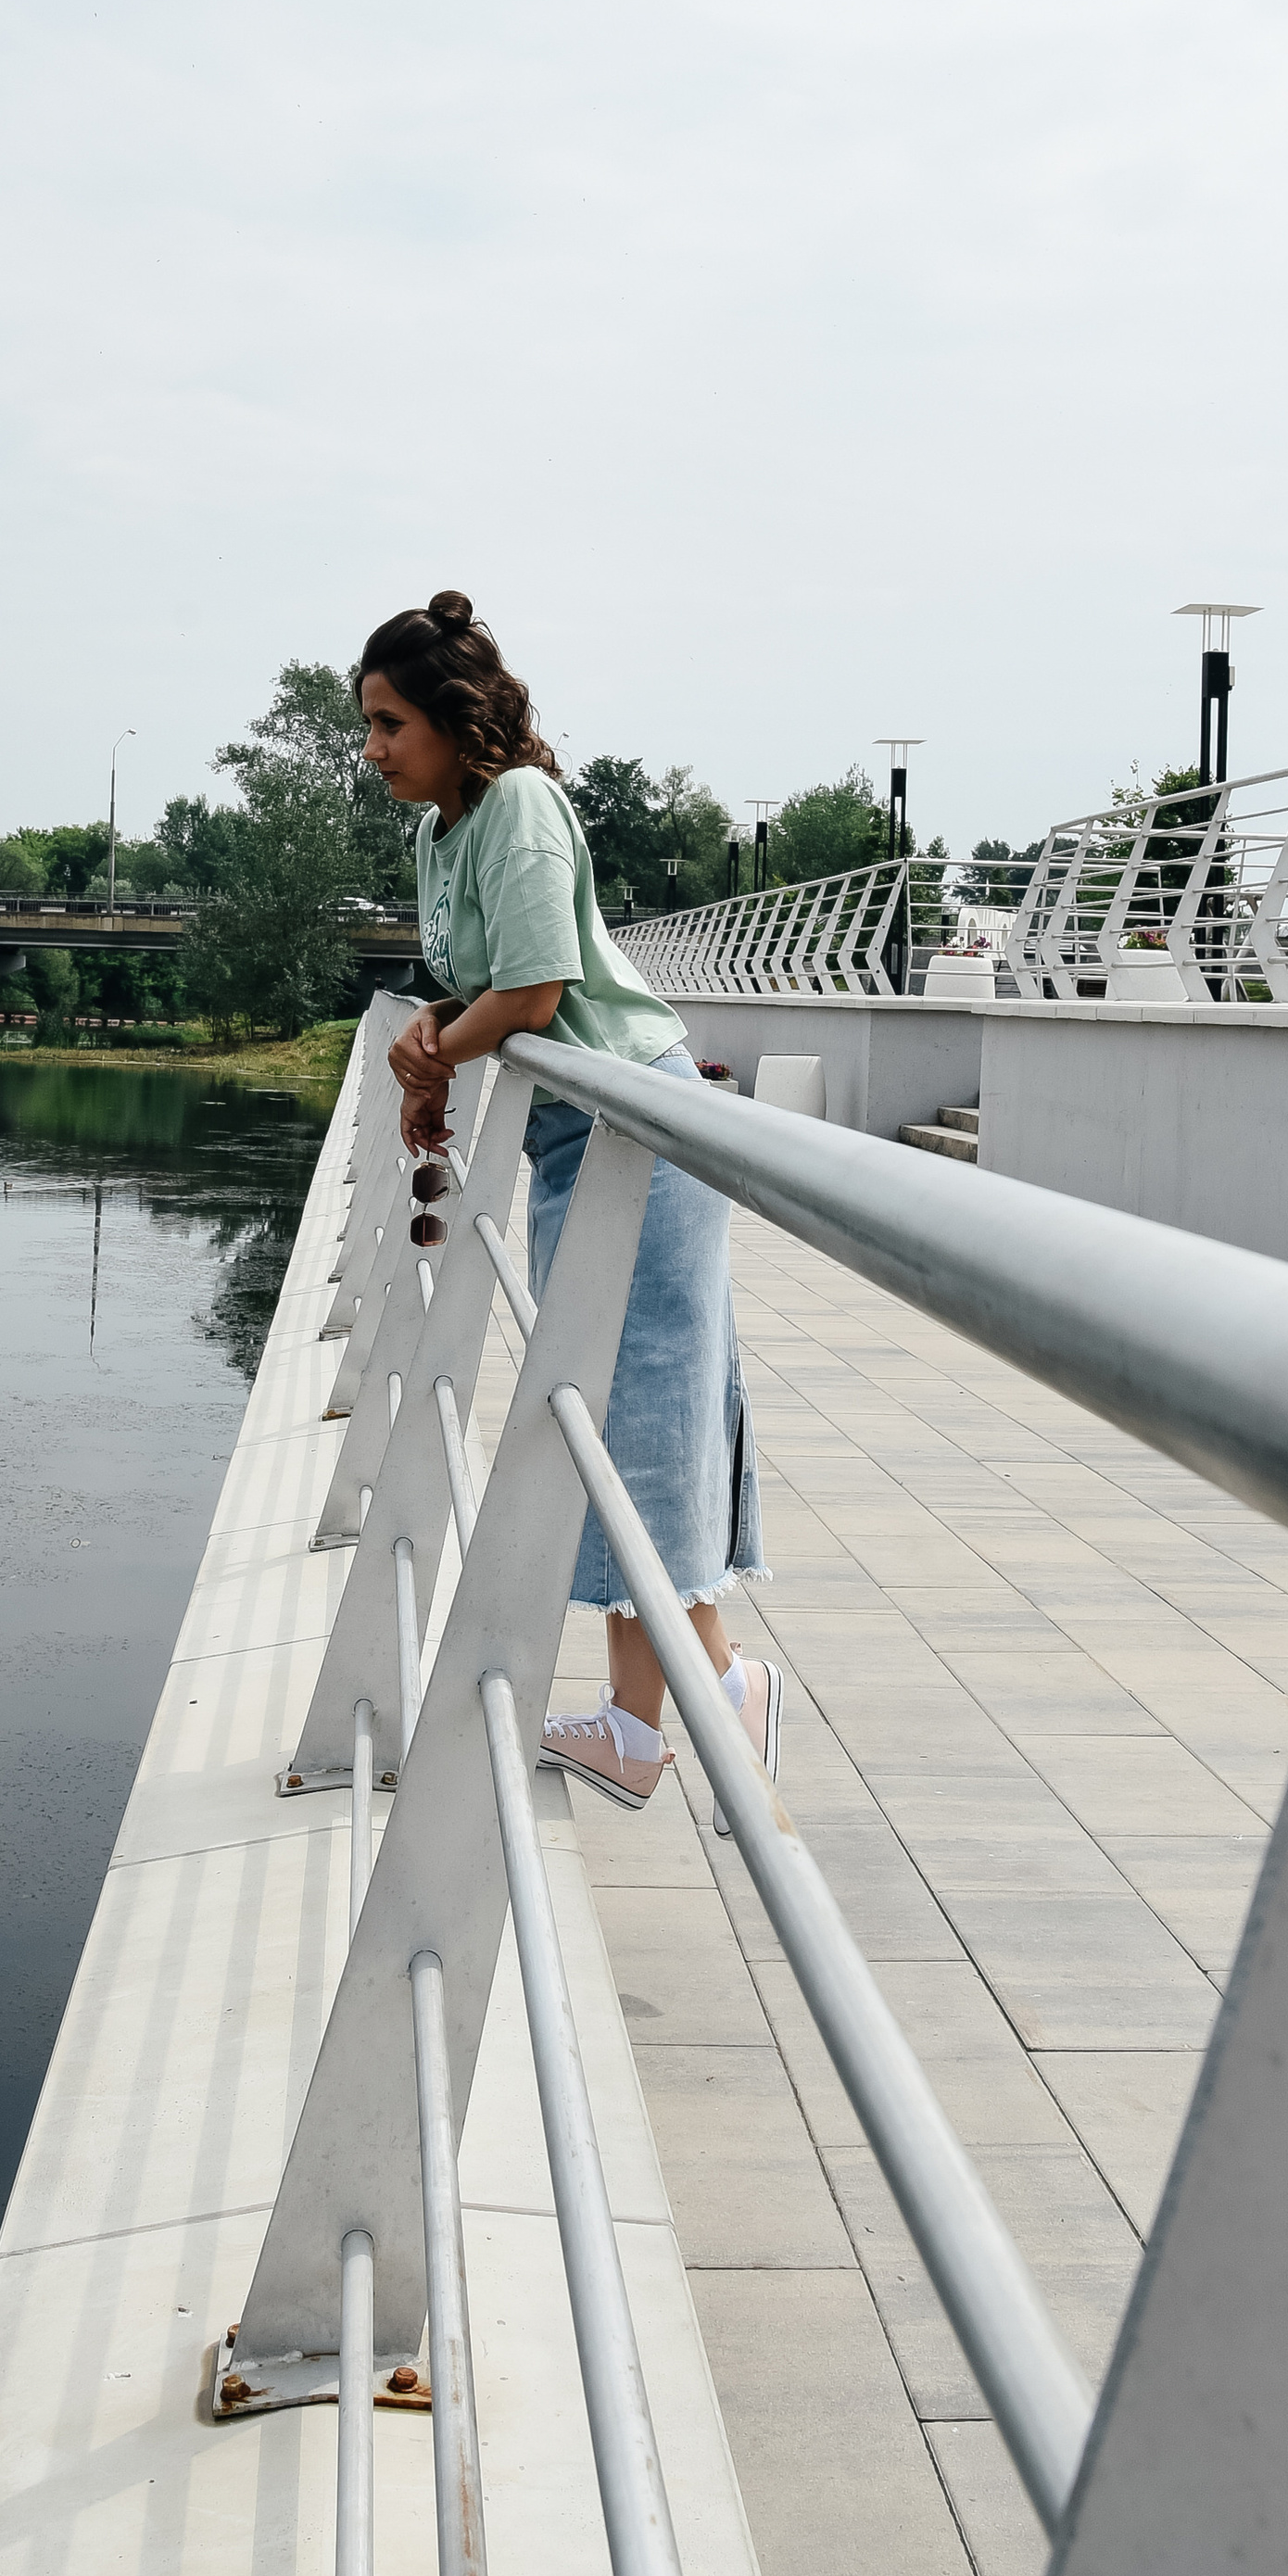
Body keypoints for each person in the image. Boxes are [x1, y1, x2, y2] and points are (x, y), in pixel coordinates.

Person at [357, 591, 779, 1808]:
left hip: (631, 1131)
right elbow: (491, 999)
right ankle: (689, 1699)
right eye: (370, 727)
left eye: (389, 723)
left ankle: (671, 1713)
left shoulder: (522, 809)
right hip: (572, 1141)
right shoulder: (446, 833)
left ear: (450, 718)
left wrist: (438, 1047)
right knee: (613, 1420)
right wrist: (435, 1053)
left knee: (629, 1422)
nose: (373, 749)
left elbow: (537, 991)